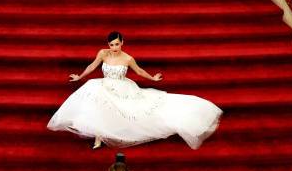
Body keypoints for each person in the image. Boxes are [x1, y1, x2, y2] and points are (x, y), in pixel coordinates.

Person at [47, 31, 222, 150]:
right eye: (111, 44)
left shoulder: (128, 58)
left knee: (136, 110)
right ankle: (99, 137)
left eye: (117, 44)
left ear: (122, 42)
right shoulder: (103, 53)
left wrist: (152, 78)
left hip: (123, 88)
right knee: (94, 92)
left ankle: (111, 133)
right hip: (105, 84)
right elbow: (92, 66)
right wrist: (79, 76)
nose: (114, 47)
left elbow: (138, 71)